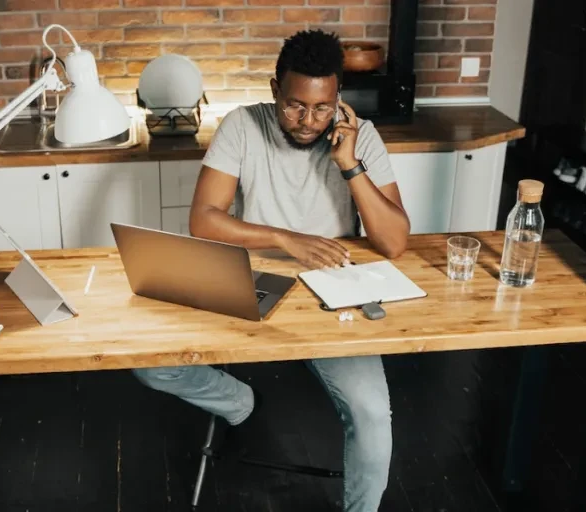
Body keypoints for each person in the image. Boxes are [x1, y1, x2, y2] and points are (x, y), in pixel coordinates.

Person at [131, 29, 411, 512]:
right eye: (294, 106)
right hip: (250, 276)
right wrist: (285, 238)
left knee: (372, 414)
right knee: (150, 364)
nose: (307, 121)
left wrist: (350, 165)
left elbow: (395, 241)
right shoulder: (242, 125)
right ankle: (237, 402)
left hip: (332, 291)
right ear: (273, 89)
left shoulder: (360, 136)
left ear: (337, 99)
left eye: (322, 108)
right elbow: (204, 219)